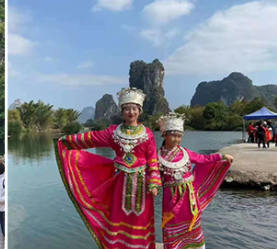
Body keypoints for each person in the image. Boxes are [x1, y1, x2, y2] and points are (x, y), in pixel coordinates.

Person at [56, 88, 160, 249]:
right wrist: (67, 140)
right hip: (119, 183)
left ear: (140, 111)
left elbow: (153, 160)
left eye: (134, 108)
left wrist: (154, 182)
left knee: (140, 218)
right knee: (118, 215)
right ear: (122, 111)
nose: (131, 112)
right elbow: (91, 138)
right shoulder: (114, 132)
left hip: (142, 184)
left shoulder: (147, 134)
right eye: (127, 108)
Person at [157, 113, 233, 249]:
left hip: (189, 197)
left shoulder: (185, 152)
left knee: (193, 224)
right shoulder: (157, 156)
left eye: (179, 136)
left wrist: (221, 156)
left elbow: (203, 159)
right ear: (164, 135)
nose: (176, 139)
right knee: (172, 225)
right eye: (173, 135)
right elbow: (152, 175)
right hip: (171, 198)